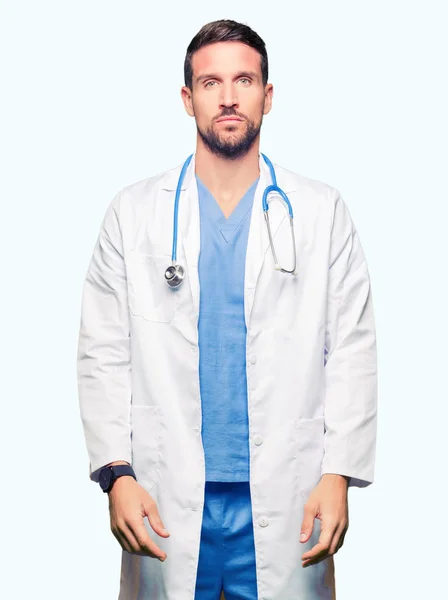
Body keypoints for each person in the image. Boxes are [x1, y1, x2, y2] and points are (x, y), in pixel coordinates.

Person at [77, 18, 378, 600]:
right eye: (211, 83)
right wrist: (117, 474)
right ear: (188, 99)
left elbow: (352, 350)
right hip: (165, 494)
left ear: (268, 95)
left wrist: (338, 474)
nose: (229, 96)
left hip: (289, 493)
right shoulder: (133, 213)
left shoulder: (321, 211)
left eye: (244, 80)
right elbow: (102, 352)